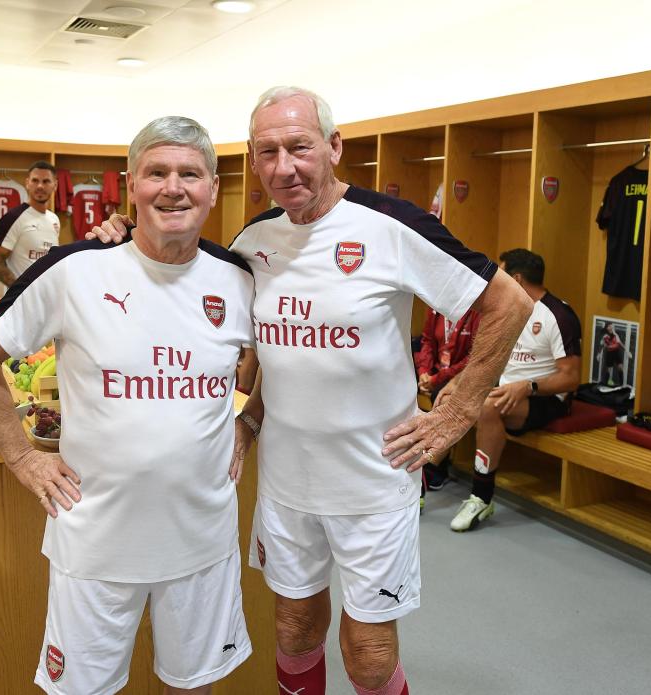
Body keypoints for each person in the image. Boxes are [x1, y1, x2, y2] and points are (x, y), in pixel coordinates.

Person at [94, 87, 532, 695]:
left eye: (299, 148)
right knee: (296, 629)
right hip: (287, 483)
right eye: (267, 152)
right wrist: (118, 237)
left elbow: (508, 303)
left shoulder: (391, 226)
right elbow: (258, 335)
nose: (284, 167)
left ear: (333, 147)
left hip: (374, 480)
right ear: (251, 159)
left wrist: (457, 409)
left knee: (369, 652)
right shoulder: (254, 242)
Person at [0, 117, 256, 695]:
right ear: (130, 185)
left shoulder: (240, 280)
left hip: (202, 543)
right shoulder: (74, 269)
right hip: (95, 543)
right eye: (157, 173)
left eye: (190, 173)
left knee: (193, 686)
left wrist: (250, 418)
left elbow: (279, 353)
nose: (174, 187)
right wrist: (22, 458)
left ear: (213, 188)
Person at [446, 248, 581, 533]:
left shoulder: (559, 314)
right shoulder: (510, 311)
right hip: (507, 388)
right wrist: (458, 381)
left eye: (502, 272)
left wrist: (528, 387)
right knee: (450, 394)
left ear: (516, 279)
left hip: (545, 397)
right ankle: (423, 477)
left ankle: (481, 496)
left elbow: (570, 378)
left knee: (487, 407)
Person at [414, 307, 480, 489]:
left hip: (460, 377)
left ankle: (430, 470)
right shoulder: (436, 306)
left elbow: (474, 358)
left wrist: (437, 379)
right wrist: (424, 372)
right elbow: (426, 340)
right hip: (435, 373)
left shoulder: (477, 310)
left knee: (443, 398)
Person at [0, 161, 60, 288]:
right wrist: (20, 290)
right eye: (35, 180)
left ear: (55, 185)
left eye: (46, 181)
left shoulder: (54, 219)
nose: (40, 186)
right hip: (21, 302)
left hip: (47, 296)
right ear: (27, 183)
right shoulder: (12, 218)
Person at [599, 322, 625, 386]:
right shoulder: (605, 336)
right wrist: (599, 353)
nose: (611, 327)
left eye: (611, 326)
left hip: (617, 352)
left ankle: (621, 384)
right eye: (609, 326)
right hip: (610, 352)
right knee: (608, 369)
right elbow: (602, 345)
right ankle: (605, 383)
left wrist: (626, 350)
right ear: (607, 328)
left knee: (620, 367)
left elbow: (619, 343)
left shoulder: (615, 335)